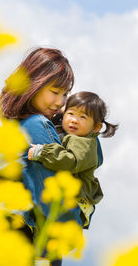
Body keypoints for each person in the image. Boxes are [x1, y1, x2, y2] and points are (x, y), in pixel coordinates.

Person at [0, 47, 101, 266]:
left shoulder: (15, 124)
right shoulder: (38, 125)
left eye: (65, 94)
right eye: (55, 92)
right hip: (25, 241)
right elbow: (53, 196)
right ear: (33, 85)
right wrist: (72, 226)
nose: (60, 103)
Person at [27, 91, 118, 227]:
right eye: (70, 114)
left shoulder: (84, 143)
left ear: (96, 127)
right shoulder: (67, 133)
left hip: (76, 203)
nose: (74, 120)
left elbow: (70, 161)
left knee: (48, 236)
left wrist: (42, 152)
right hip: (68, 200)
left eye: (83, 117)